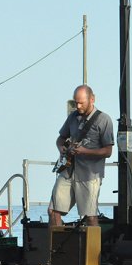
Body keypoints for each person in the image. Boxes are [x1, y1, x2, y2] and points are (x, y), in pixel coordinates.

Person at [49, 85, 114, 228]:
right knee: (53, 211)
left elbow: (108, 151)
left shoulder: (104, 120)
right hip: (68, 170)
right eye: (75, 102)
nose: (78, 106)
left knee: (90, 217)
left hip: (89, 174)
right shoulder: (72, 117)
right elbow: (60, 139)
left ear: (92, 99)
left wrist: (84, 151)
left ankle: (95, 250)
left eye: (81, 103)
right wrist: (62, 149)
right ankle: (58, 249)